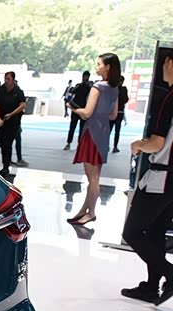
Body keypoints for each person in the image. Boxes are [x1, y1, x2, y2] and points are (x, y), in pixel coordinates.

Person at [122, 50, 173, 305]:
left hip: (160, 178)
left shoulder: (169, 99)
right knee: (155, 230)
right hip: (170, 181)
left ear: (170, 63)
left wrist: (139, 145)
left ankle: (169, 274)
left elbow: (157, 143)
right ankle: (152, 286)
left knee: (132, 232)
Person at [66, 54, 121, 226]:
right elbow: (113, 115)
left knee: (93, 179)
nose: (96, 67)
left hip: (92, 133)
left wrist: (73, 108)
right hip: (104, 133)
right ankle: (84, 210)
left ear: (108, 67)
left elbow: (87, 113)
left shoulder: (98, 87)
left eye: (99, 64)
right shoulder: (114, 88)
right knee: (95, 176)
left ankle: (91, 213)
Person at [0, 71, 27, 177]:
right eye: (5, 79)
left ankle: (6, 167)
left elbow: (23, 105)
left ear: (13, 79)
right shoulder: (2, 90)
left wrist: (11, 114)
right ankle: (4, 164)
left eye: (8, 79)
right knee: (3, 143)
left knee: (8, 143)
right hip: (2, 121)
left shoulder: (18, 91)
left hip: (13, 122)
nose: (6, 81)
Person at [64, 71, 92, 151]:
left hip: (83, 109)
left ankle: (80, 144)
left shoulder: (90, 87)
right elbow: (72, 91)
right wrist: (80, 85)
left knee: (82, 128)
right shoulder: (78, 85)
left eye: (87, 77)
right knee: (72, 126)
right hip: (76, 108)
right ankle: (68, 143)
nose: (85, 78)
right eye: (84, 77)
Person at [110, 76, 129, 153]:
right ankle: (115, 147)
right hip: (119, 111)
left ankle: (106, 145)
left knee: (109, 130)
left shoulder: (113, 89)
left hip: (112, 112)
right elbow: (126, 99)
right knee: (117, 131)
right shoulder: (123, 89)